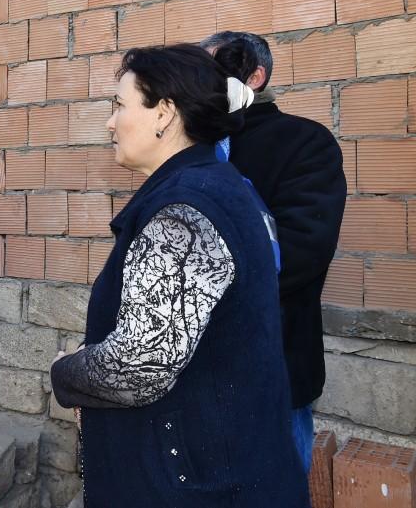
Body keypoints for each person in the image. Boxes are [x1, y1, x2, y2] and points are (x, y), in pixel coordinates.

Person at [49, 45, 310, 507]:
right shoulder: (216, 184)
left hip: (196, 488)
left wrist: (66, 372)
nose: (110, 123)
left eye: (119, 106)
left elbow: (139, 365)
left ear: (164, 114)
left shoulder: (185, 212)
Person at [203, 31, 346, 470]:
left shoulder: (305, 143)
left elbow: (300, 251)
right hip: (194, 375)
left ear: (255, 77)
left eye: (213, 73)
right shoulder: (191, 148)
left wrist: (199, 287)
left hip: (273, 368)